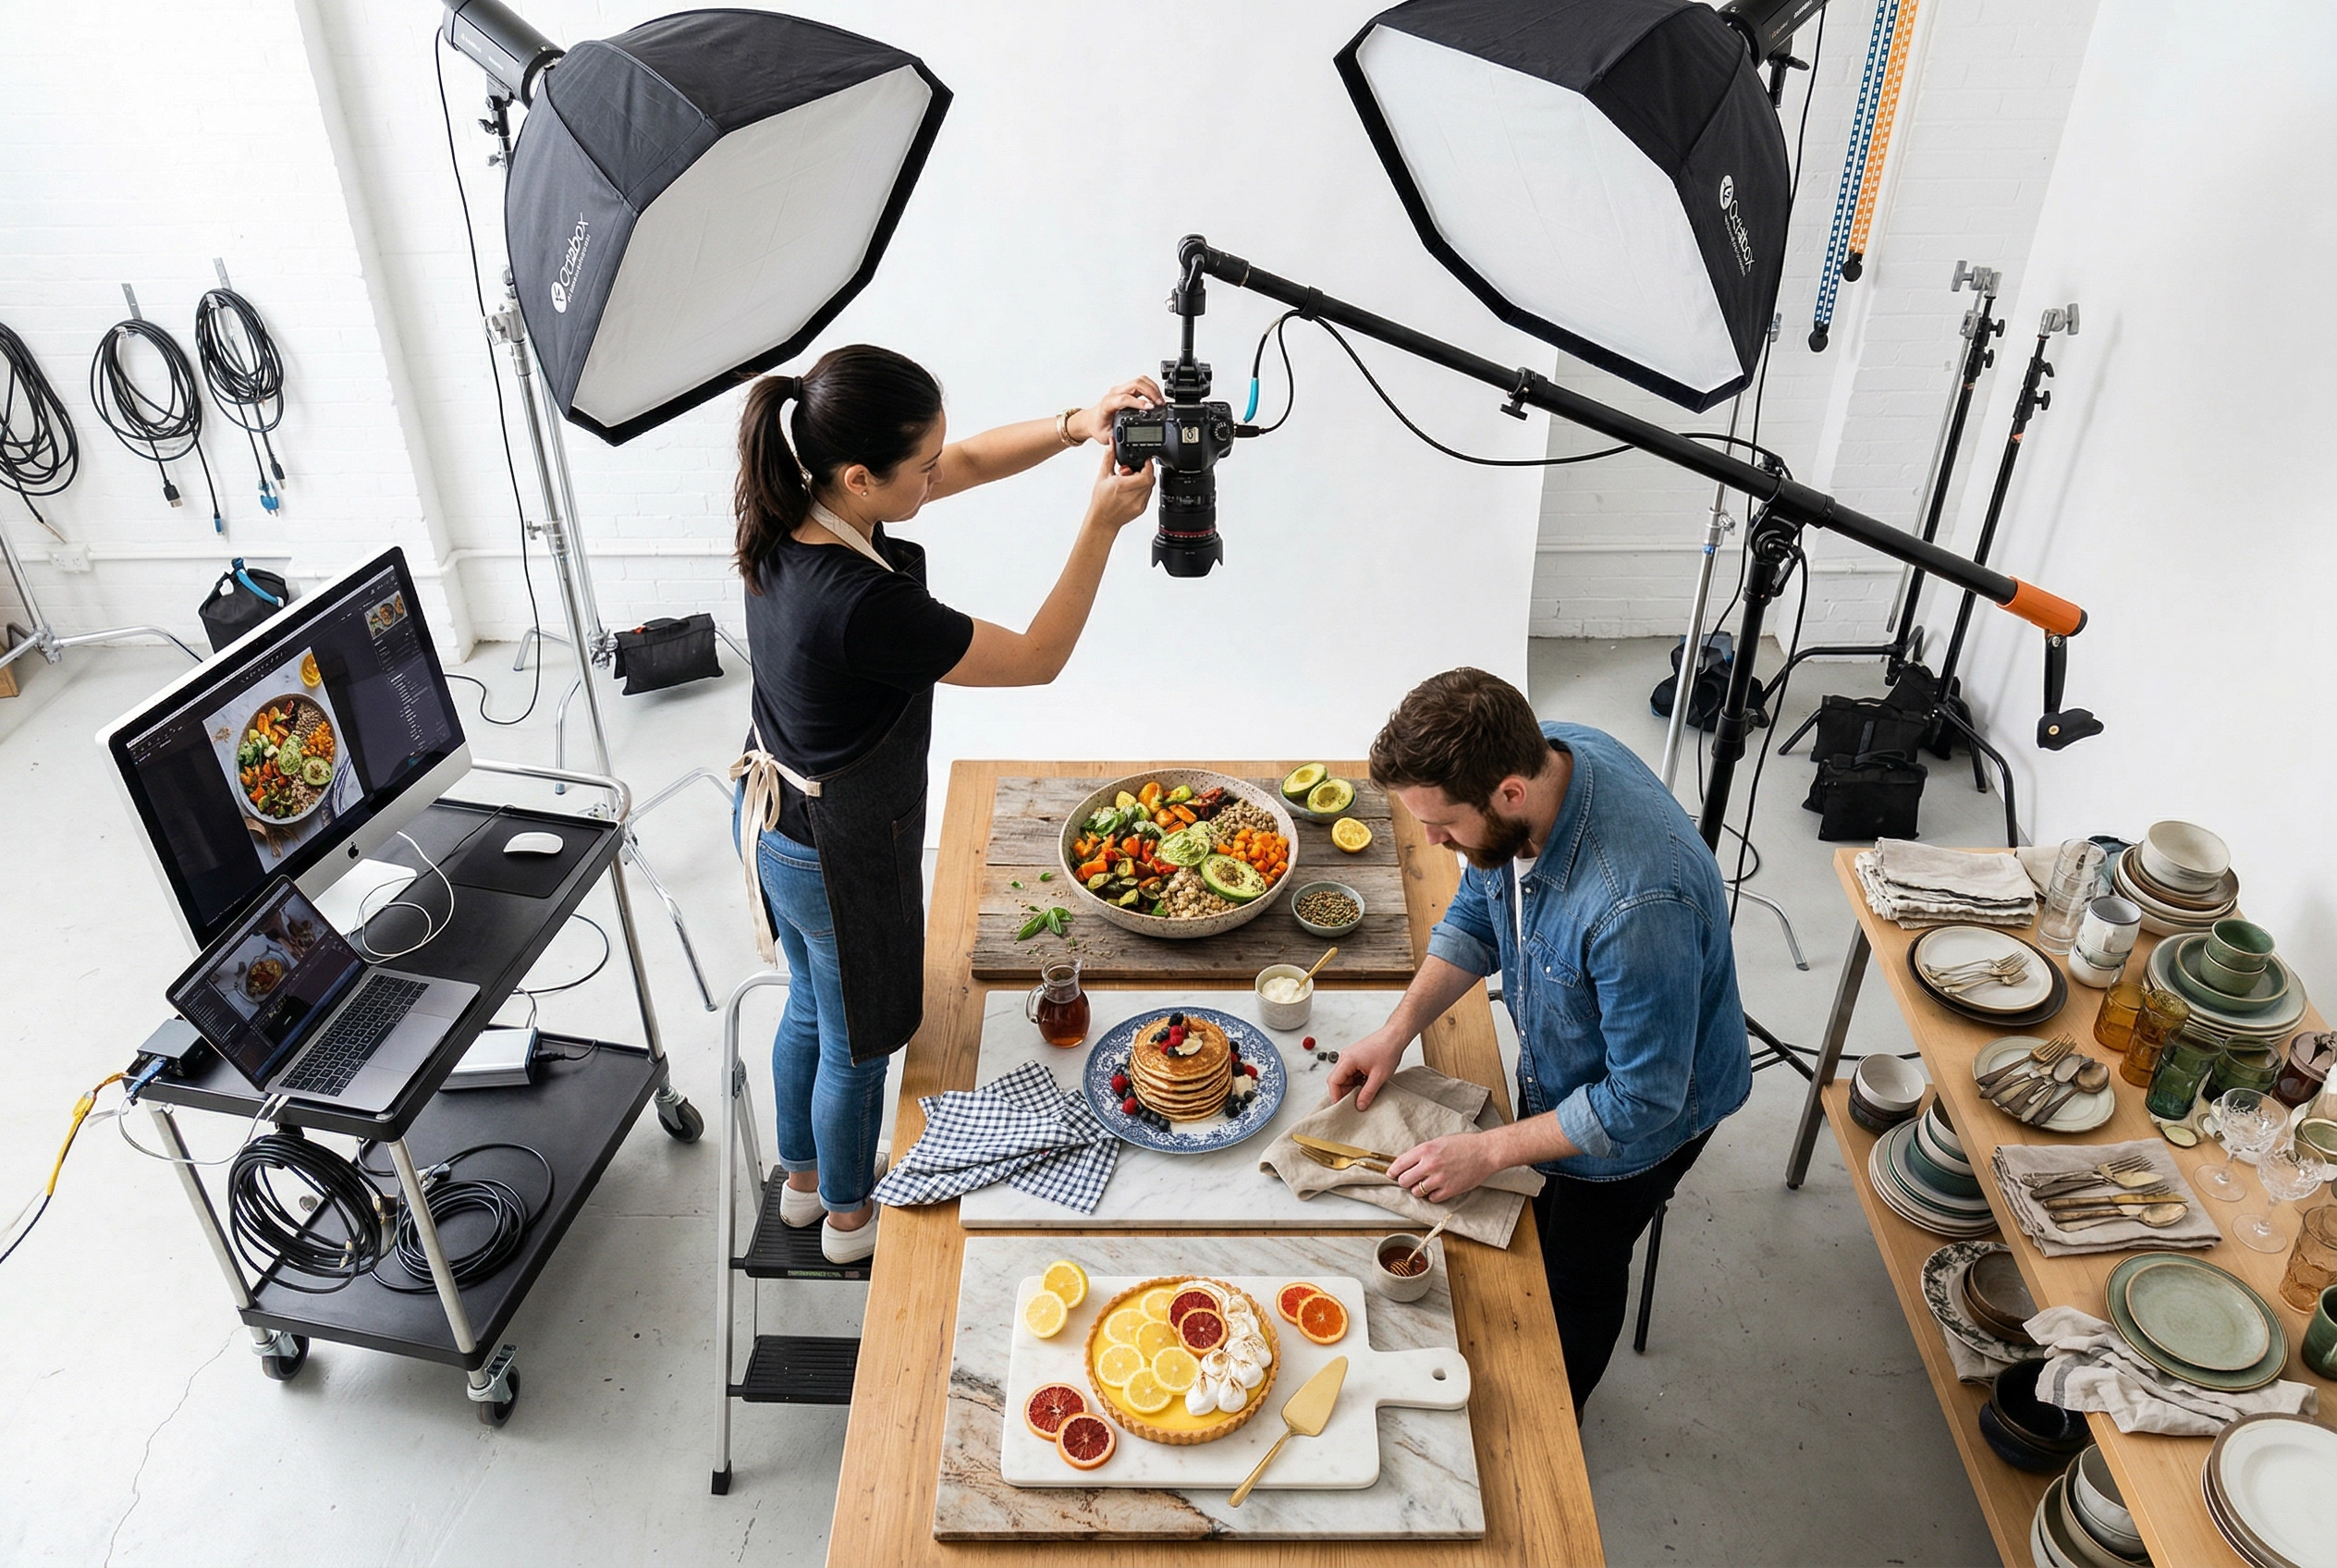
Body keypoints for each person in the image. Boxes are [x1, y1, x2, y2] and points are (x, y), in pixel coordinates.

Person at [729, 345, 1159, 1263]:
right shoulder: (862, 606)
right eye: (919, 466)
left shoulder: (784, 504)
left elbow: (959, 464)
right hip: (836, 851)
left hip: (771, 824)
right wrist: (1100, 524)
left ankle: (801, 1182)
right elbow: (1039, 656)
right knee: (859, 1042)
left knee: (808, 1007)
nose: (940, 471)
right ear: (859, 476)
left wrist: (1074, 424)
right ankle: (848, 1218)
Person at [1328, 668, 1751, 1407]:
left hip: (1646, 1126)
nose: (1430, 839)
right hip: (1576, 1071)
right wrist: (1397, 1033)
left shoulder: (1635, 904)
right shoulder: (1546, 757)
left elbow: (1641, 1099)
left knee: (1575, 1277)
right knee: (1535, 1222)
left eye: (1444, 825)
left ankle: (1562, 1411)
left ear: (1510, 794)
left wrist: (1488, 1150)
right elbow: (1477, 911)